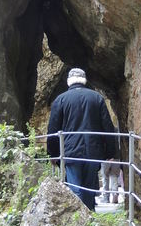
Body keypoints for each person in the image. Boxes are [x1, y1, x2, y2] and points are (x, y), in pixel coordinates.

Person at [47, 68, 120, 211]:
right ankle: (89, 215)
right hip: (93, 150)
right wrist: (110, 153)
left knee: (75, 188)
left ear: (69, 81)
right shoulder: (96, 98)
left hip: (70, 151)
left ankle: (79, 218)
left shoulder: (60, 100)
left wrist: (53, 153)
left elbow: (53, 129)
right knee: (89, 188)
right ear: (84, 80)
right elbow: (107, 126)